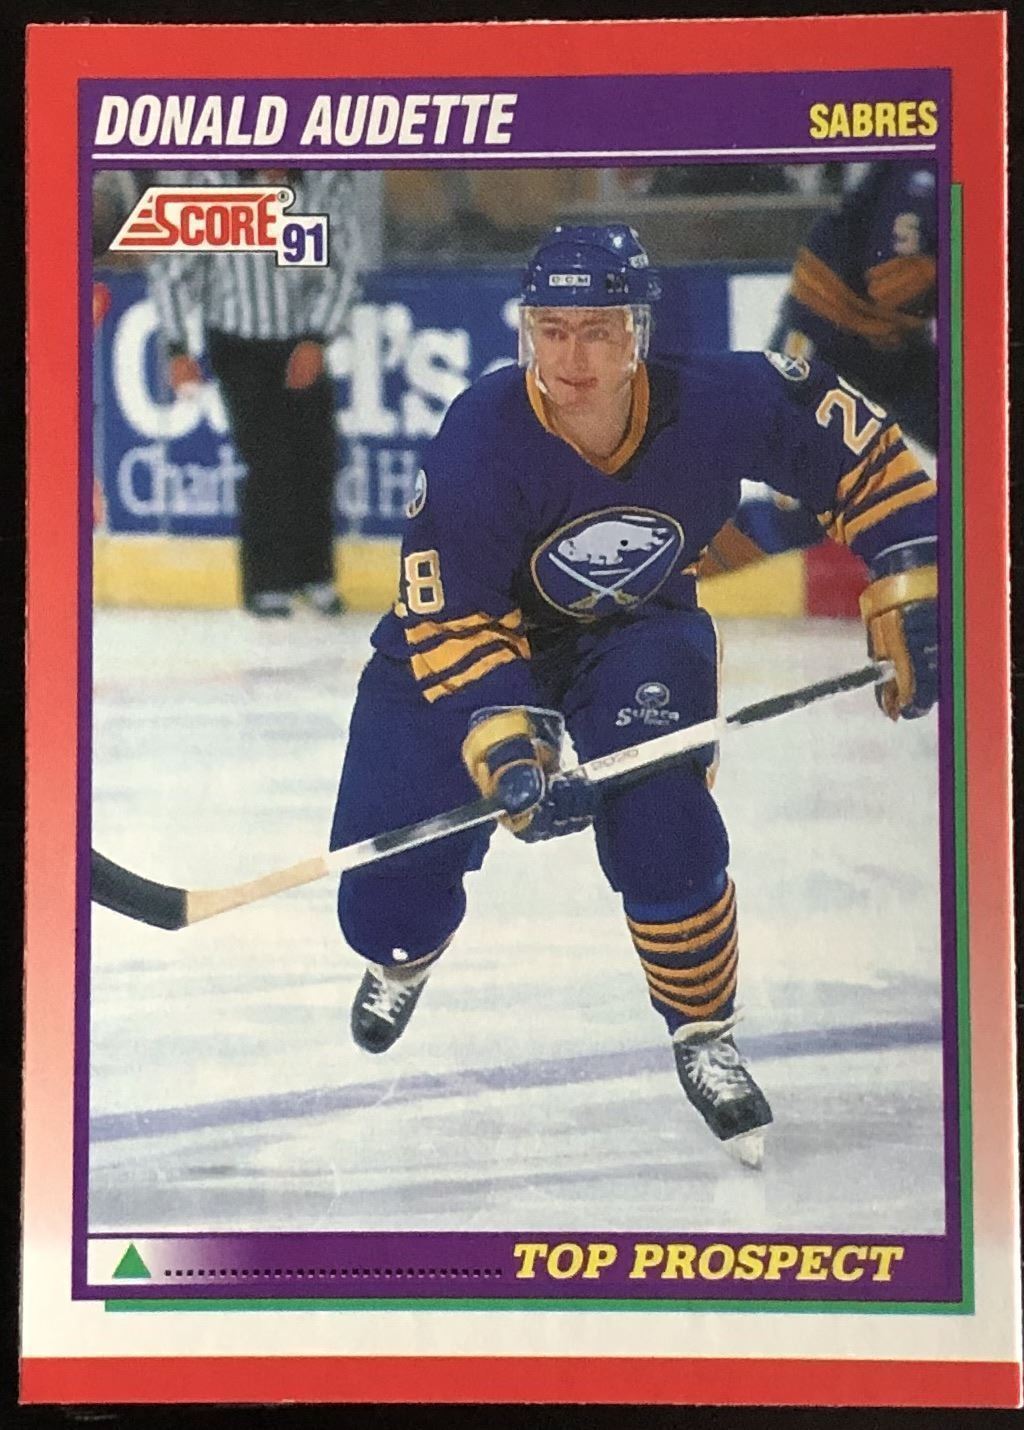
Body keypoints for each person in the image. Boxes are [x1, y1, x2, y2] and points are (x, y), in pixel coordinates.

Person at [329, 225, 938, 1170]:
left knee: (663, 818)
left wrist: (912, 576)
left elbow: (861, 454)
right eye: (553, 330)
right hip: (471, 646)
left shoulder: (719, 400)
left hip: (633, 628)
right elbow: (454, 618)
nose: (573, 358)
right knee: (385, 896)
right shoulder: (481, 435)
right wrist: (512, 751)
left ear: (638, 332)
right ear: (528, 332)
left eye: (599, 330)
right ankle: (405, 953)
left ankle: (704, 1032)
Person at [146, 170, 363, 618]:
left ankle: (313, 575)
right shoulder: (212, 183)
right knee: (268, 459)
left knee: (315, 457)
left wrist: (317, 338)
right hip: (238, 342)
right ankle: (267, 582)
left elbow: (344, 269)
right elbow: (173, 270)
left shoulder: (325, 183)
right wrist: (177, 347)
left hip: (302, 336)